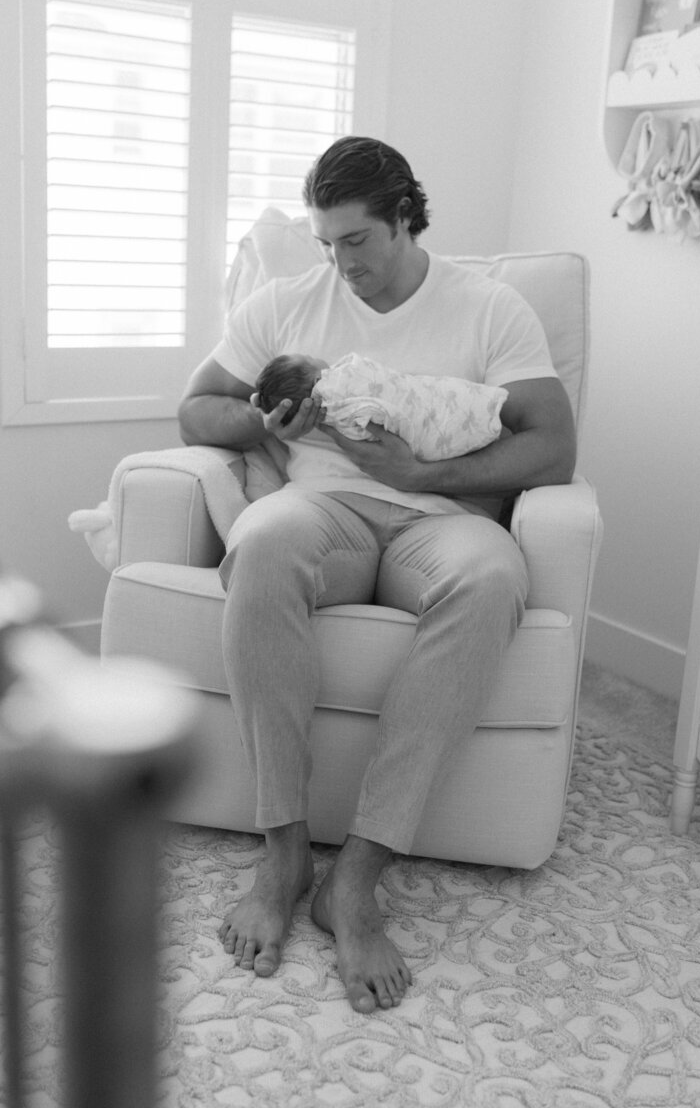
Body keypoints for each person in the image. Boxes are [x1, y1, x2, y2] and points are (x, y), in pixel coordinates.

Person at [177, 136, 576, 1014]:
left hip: (441, 522)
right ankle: (283, 852)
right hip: (328, 517)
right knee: (265, 538)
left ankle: (356, 876)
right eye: (326, 242)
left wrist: (421, 477)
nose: (339, 262)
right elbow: (193, 409)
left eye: (356, 241)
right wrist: (266, 418)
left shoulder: (489, 308)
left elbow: (552, 445)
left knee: (490, 578)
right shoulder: (288, 304)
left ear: (405, 217)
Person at [254, 350, 508, 458]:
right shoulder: (337, 392)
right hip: (416, 420)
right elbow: (372, 413)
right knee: (456, 413)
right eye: (309, 358)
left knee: (449, 401)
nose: (316, 356)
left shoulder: (341, 384)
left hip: (421, 395)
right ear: (312, 377)